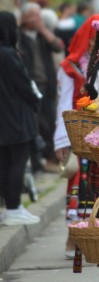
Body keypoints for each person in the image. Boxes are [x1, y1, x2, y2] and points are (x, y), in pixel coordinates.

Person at [53, 13, 99, 258]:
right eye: (93, 39)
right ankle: (72, 240)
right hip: (79, 133)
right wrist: (62, 140)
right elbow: (63, 104)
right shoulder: (70, 67)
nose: (97, 44)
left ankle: (98, 239)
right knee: (79, 185)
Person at [0, 11, 41, 226]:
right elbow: (24, 84)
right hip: (16, 116)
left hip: (4, 118)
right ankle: (14, 208)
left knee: (5, 163)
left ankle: (10, 207)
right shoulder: (8, 54)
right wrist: (36, 99)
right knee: (17, 161)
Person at [17, 2, 65, 174]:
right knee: (35, 124)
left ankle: (49, 158)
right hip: (29, 87)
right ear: (25, 18)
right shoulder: (18, 36)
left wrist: (43, 30)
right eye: (33, 16)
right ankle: (38, 161)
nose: (37, 19)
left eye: (38, 15)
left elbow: (59, 46)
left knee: (48, 121)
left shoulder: (42, 36)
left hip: (48, 85)